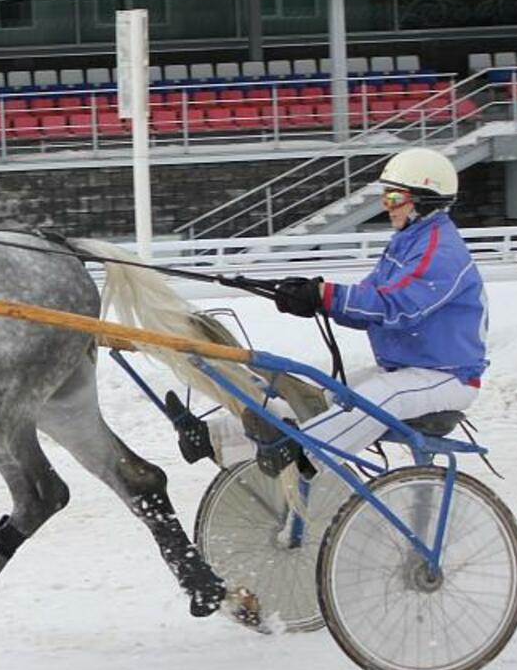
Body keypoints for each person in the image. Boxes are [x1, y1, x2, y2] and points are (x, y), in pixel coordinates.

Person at [175, 146, 489, 475]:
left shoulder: (440, 252)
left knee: (376, 400)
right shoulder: (409, 242)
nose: (387, 207)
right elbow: (369, 300)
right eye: (386, 198)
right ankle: (214, 438)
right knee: (323, 397)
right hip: (405, 370)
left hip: (446, 377)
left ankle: (302, 452)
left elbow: (397, 308)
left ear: (424, 200)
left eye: (394, 199)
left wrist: (327, 296)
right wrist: (311, 299)